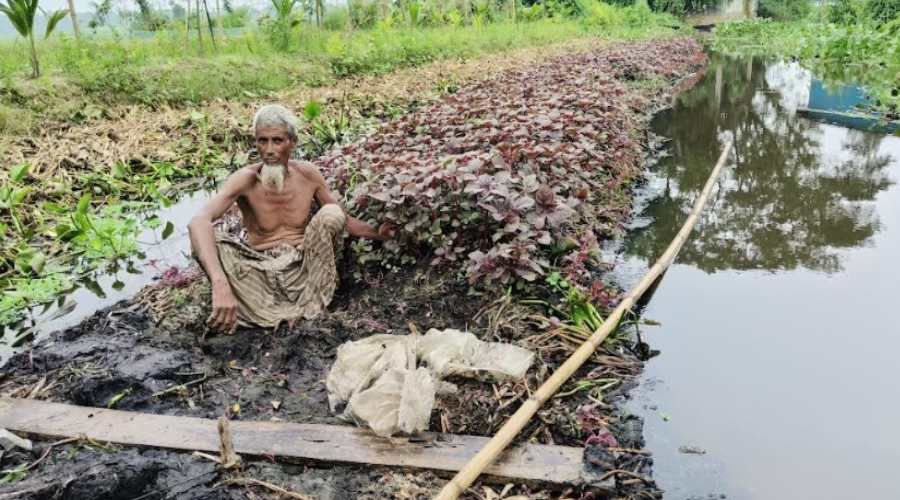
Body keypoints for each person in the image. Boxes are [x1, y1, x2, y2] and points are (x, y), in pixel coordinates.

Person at [188, 104, 393, 332]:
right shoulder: (245, 179)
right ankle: (258, 308)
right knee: (207, 237)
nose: (269, 149)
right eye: (262, 141)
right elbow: (199, 221)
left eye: (277, 141)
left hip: (305, 270)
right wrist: (219, 283)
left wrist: (380, 234)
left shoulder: (307, 174)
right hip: (260, 276)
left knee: (331, 214)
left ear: (293, 143)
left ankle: (308, 303)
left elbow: (345, 219)